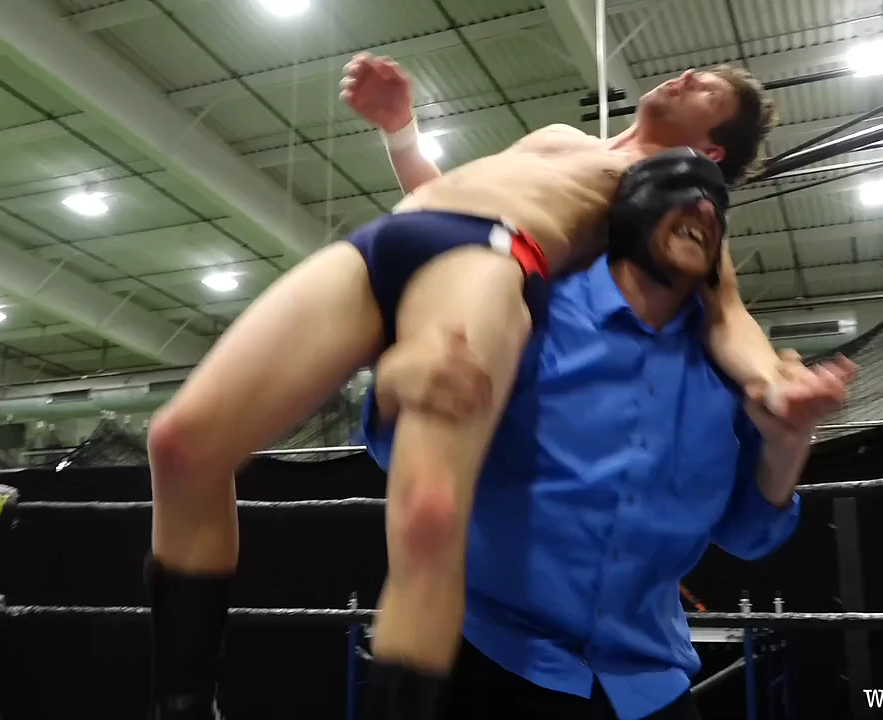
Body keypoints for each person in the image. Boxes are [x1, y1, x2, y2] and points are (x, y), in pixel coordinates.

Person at [144, 50, 787, 720]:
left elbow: (727, 314)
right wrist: (400, 129)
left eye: (709, 91)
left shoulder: (670, 195)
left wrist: (774, 387)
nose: (687, 76)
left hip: (488, 260)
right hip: (393, 235)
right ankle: (182, 706)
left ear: (712, 149)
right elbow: (453, 189)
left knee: (428, 512)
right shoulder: (562, 138)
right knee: (181, 444)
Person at [360, 148, 857, 719]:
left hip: (644, 679)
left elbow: (749, 534)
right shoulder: (529, 312)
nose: (705, 207)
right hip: (494, 657)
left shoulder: (738, 371)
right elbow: (399, 451)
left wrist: (789, 440)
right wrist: (404, 383)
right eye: (682, 188)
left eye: (717, 206)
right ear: (629, 210)